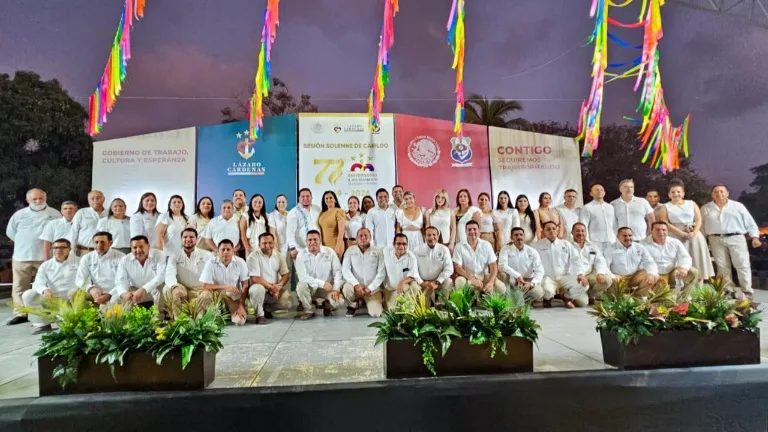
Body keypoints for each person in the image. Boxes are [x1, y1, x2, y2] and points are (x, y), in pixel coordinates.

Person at [6, 188, 62, 325]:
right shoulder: (19, 215)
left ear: (45, 198)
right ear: (28, 200)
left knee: (47, 286)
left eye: (40, 198)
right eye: (34, 199)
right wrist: (24, 242)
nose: (38, 201)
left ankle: (47, 313)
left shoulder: (54, 214)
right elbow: (10, 233)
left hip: (45, 257)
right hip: (21, 256)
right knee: (19, 286)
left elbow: (59, 232)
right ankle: (21, 313)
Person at [701, 184, 762, 296]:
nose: (719, 194)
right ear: (712, 194)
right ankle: (728, 290)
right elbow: (702, 227)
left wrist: (755, 237)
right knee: (722, 266)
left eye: (722, 191)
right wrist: (702, 241)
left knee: (742, 263)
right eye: (716, 192)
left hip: (736, 237)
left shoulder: (738, 206)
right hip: (715, 239)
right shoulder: (706, 208)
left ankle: (747, 290)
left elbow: (749, 222)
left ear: (727, 193)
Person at [659, 181, 715, 281]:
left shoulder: (691, 203)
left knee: (697, 258)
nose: (676, 194)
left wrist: (694, 232)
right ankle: (678, 283)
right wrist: (681, 233)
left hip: (693, 234)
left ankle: (698, 284)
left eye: (678, 192)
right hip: (675, 234)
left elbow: (699, 220)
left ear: (683, 193)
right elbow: (665, 222)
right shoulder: (665, 206)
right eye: (673, 192)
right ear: (669, 194)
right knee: (679, 259)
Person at [22, 238, 80, 334]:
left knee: (70, 326)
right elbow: (38, 283)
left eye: (62, 247)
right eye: (55, 248)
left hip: (73, 298)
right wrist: (45, 290)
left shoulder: (79, 262)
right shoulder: (46, 265)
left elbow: (85, 280)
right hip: (53, 298)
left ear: (70, 249)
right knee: (28, 295)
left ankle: (67, 318)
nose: (58, 250)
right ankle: (42, 324)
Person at [534, 221, 587, 308]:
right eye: (548, 229)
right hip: (548, 278)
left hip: (564, 277)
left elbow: (576, 260)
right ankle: (548, 299)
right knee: (547, 291)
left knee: (583, 285)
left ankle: (567, 297)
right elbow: (533, 263)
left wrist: (580, 274)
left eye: (554, 229)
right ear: (544, 232)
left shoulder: (565, 244)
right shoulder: (538, 245)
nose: (552, 231)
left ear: (557, 230)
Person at [199, 239, 252, 325]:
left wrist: (241, 304)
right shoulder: (210, 263)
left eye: (228, 249)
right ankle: (212, 315)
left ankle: (229, 313)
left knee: (239, 321)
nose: (225, 252)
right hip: (216, 296)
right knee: (204, 294)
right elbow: (204, 286)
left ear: (233, 251)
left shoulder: (240, 262)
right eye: (223, 249)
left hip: (233, 297)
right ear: (218, 251)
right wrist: (226, 287)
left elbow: (245, 285)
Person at [164, 228, 214, 316]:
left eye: (191, 237)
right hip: (183, 290)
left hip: (201, 290)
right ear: (181, 239)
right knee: (167, 288)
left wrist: (208, 288)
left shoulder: (207, 255)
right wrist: (175, 287)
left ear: (196, 239)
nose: (188, 239)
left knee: (206, 297)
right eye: (185, 237)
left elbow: (215, 274)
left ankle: (202, 318)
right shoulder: (174, 255)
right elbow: (169, 273)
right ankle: (178, 319)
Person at [295, 230, 344, 320]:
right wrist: (322, 283)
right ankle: (309, 310)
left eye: (315, 239)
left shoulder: (330, 252)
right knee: (300, 286)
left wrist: (336, 289)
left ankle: (327, 305)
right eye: (310, 240)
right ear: (306, 241)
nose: (312, 242)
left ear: (320, 240)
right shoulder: (301, 255)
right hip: (310, 288)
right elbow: (303, 277)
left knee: (339, 301)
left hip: (327, 287)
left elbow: (337, 271)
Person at [341, 228, 386, 317]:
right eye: (360, 236)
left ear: (370, 237)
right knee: (347, 289)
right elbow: (345, 270)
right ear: (356, 238)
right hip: (356, 287)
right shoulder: (350, 250)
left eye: (366, 236)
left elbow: (381, 273)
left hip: (372, 289)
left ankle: (367, 301)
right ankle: (353, 304)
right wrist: (356, 284)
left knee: (376, 313)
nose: (363, 238)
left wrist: (370, 288)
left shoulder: (378, 251)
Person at [114, 235, 166, 310]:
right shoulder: (124, 260)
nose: (138, 250)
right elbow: (120, 280)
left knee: (161, 287)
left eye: (141, 247)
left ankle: (159, 316)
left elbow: (161, 277)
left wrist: (143, 289)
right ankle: (127, 317)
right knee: (116, 299)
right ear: (131, 249)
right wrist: (124, 293)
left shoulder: (160, 255)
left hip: (154, 289)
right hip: (135, 291)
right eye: (135, 247)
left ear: (148, 246)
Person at [453, 220, 506, 294]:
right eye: (469, 229)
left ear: (479, 231)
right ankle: (465, 301)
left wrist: (491, 282)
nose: (472, 231)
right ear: (465, 231)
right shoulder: (459, 246)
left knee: (501, 288)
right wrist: (471, 279)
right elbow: (457, 267)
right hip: (467, 278)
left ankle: (486, 298)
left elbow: (493, 266)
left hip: (483, 277)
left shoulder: (486, 245)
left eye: (474, 229)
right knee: (459, 281)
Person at [247, 232, 292, 319]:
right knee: (257, 290)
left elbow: (285, 274)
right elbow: (256, 279)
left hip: (273, 291)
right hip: (259, 289)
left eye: (270, 243)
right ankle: (259, 315)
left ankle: (266, 309)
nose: (267, 245)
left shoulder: (279, 256)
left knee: (288, 302)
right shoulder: (253, 257)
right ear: (259, 244)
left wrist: (278, 287)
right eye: (264, 243)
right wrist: (272, 288)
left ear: (274, 243)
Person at [603, 227, 659, 296]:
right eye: (624, 235)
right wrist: (613, 276)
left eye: (630, 235)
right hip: (618, 279)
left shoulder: (639, 247)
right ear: (617, 237)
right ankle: (622, 294)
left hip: (634, 276)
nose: (628, 238)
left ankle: (637, 296)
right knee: (610, 285)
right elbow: (604, 267)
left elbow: (650, 262)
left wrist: (651, 274)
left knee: (655, 275)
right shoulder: (610, 249)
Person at [76, 231, 125, 308]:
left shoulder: (121, 257)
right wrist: (91, 288)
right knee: (73, 293)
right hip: (96, 292)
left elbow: (124, 281)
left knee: (109, 305)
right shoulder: (87, 258)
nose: (99, 245)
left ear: (110, 243)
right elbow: (80, 279)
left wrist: (109, 294)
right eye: (96, 242)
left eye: (102, 242)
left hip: (115, 292)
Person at [644, 222, 698, 290]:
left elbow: (685, 257)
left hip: (672, 273)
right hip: (654, 275)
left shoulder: (675, 242)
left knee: (693, 272)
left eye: (664, 230)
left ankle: (682, 296)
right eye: (657, 230)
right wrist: (651, 274)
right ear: (651, 231)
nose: (661, 232)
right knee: (661, 292)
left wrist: (684, 268)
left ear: (667, 231)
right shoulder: (643, 244)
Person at [499, 227, 547, 302]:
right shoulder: (506, 249)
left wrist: (532, 283)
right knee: (503, 275)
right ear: (511, 237)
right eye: (516, 235)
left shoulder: (532, 251)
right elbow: (502, 265)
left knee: (538, 293)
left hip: (528, 281)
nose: (519, 237)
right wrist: (517, 276)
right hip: (513, 280)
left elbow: (540, 270)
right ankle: (509, 298)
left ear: (524, 237)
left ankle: (525, 300)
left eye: (521, 235)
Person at [570, 223, 610, 304]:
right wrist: (579, 275)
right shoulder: (567, 246)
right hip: (576, 277)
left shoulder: (592, 245)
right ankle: (583, 293)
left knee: (607, 280)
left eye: (582, 231)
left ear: (586, 232)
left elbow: (600, 260)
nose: (580, 233)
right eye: (577, 231)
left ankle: (592, 295)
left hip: (590, 275)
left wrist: (600, 273)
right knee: (582, 303)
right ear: (572, 232)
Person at [413, 227, 455, 305]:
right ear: (424, 237)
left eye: (434, 235)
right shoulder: (417, 250)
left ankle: (441, 305)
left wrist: (437, 282)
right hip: (423, 283)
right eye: (429, 235)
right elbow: (413, 269)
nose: (432, 237)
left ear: (438, 236)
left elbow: (449, 268)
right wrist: (421, 282)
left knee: (448, 281)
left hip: (438, 282)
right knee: (425, 307)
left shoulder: (444, 249)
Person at [382, 234, 423, 306]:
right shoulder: (386, 253)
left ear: (407, 245)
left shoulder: (411, 257)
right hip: (390, 288)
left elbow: (413, 275)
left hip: (404, 285)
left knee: (415, 287)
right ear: (393, 244)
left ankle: (409, 307)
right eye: (398, 244)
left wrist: (402, 282)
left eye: (404, 244)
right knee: (392, 309)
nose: (401, 246)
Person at [580, 184, 616, 255]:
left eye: (601, 190)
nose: (599, 191)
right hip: (595, 242)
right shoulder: (587, 207)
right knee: (596, 261)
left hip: (611, 241)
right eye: (596, 190)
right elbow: (583, 225)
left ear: (604, 193)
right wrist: (587, 242)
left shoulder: (610, 207)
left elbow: (614, 224)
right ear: (591, 194)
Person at [70, 190, 107, 256]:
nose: (95, 200)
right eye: (92, 198)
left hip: (104, 252)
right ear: (88, 201)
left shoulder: (109, 214)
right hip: (83, 251)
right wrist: (71, 252)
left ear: (103, 199)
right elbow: (73, 232)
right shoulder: (81, 213)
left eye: (98, 198)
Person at [286, 188, 321, 257]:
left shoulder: (317, 209)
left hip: (317, 247)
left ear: (311, 197)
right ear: (299, 198)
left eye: (308, 196)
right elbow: (290, 232)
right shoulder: (293, 212)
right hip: (300, 249)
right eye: (303, 196)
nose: (305, 198)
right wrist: (292, 248)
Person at [318, 190, 347, 258]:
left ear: (335, 200)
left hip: (336, 245)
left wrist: (338, 247)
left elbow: (341, 231)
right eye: (326, 198)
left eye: (331, 198)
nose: (329, 200)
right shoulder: (322, 213)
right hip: (324, 247)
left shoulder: (339, 211)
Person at [426, 189, 457, 253]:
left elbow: (453, 228)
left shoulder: (450, 212)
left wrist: (452, 243)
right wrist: (426, 242)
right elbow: (427, 227)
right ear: (435, 198)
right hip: (433, 242)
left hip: (447, 242)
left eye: (443, 198)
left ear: (446, 200)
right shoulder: (429, 212)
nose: (440, 199)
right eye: (438, 197)